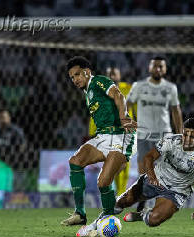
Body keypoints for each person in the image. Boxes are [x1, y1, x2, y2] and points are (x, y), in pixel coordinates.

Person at [76, 118, 194, 237]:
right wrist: (152, 176)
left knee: (154, 220)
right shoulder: (171, 140)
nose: (186, 139)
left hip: (177, 191)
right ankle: (92, 226)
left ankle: (141, 215)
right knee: (123, 201)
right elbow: (149, 157)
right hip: (156, 178)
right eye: (185, 134)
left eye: (192, 136)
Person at [61, 56, 137, 226]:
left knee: (103, 182)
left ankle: (109, 218)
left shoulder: (98, 81)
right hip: (102, 137)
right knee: (75, 161)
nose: (75, 80)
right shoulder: (87, 93)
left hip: (120, 136)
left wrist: (124, 117)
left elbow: (119, 95)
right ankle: (80, 213)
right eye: (72, 77)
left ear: (87, 72)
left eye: (78, 74)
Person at [125, 56, 183, 219]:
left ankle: (159, 207)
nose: (158, 69)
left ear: (164, 70)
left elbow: (176, 110)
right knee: (144, 173)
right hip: (144, 135)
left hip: (164, 136)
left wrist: (180, 134)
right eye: (155, 66)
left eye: (161, 67)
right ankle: (141, 207)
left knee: (164, 173)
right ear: (149, 68)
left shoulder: (170, 88)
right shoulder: (139, 86)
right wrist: (128, 121)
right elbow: (127, 104)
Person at [89, 67, 134, 196]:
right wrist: (92, 132)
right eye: (109, 75)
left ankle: (120, 194)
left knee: (124, 163)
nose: (112, 77)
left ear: (120, 76)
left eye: (114, 74)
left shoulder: (128, 89)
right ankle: (114, 194)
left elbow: (136, 107)